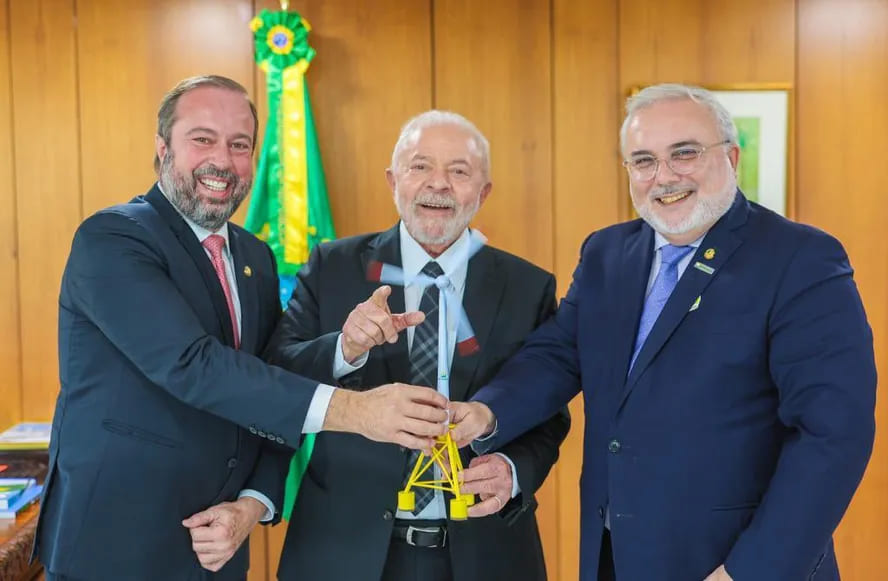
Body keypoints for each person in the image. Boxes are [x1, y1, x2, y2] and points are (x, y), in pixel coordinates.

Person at [451, 83, 876, 581]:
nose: (664, 176)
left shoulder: (801, 259)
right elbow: (559, 354)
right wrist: (487, 412)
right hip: (614, 557)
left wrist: (750, 572)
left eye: (685, 153)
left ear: (731, 157)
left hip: (733, 561)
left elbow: (832, 434)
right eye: (644, 161)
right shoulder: (607, 253)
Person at [35, 75, 449, 581]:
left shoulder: (254, 255)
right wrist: (357, 411)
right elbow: (193, 365)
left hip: (222, 549)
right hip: (115, 550)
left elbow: (268, 379)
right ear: (163, 148)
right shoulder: (113, 239)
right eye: (202, 138)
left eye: (240, 145)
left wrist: (254, 502)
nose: (223, 160)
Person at [264, 110, 570, 581]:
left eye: (459, 171)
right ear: (393, 181)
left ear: (483, 192)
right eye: (420, 166)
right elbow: (275, 377)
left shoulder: (527, 286)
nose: (438, 184)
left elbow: (546, 411)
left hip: (485, 555)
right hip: (342, 552)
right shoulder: (332, 266)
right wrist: (345, 349)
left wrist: (512, 469)